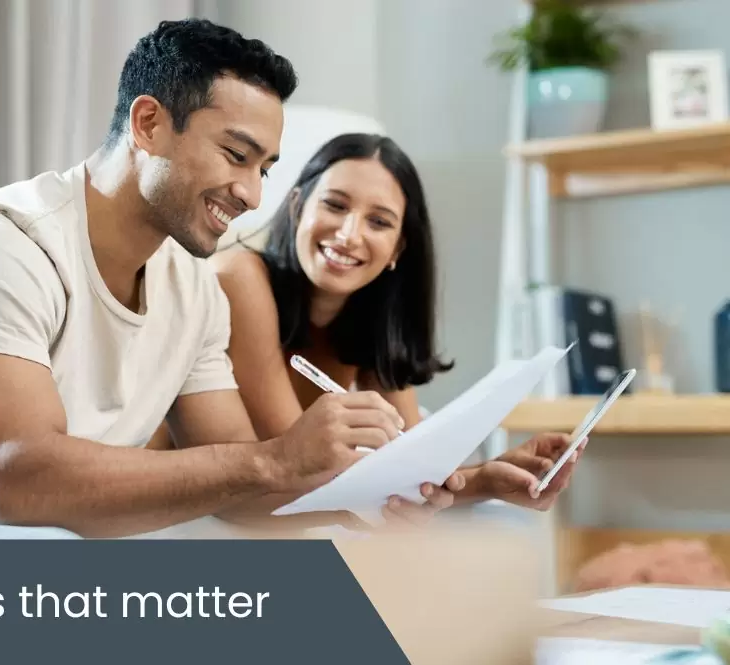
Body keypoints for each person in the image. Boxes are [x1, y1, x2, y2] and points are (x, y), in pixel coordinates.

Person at [0, 18, 452, 541]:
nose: (253, 195)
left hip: (55, 536)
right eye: (236, 155)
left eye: (264, 169)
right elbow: (17, 480)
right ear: (148, 124)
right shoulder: (2, 244)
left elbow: (240, 488)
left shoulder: (195, 290)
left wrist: (366, 501)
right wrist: (276, 459)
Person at [198, 132, 585, 528]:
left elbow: (416, 468)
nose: (349, 235)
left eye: (379, 222)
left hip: (276, 512)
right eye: (335, 205)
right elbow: (301, 467)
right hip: (210, 515)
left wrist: (489, 478)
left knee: (503, 528)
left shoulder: (367, 318)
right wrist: (457, 481)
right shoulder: (239, 277)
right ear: (297, 207)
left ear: (398, 249)